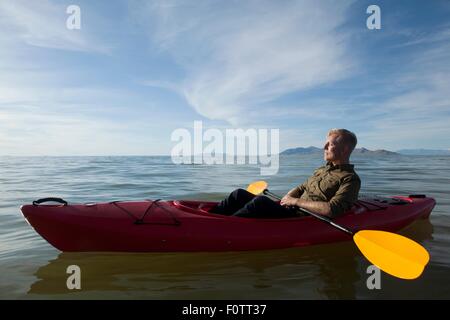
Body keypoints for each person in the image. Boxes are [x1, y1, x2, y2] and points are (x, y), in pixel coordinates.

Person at [210, 129, 361, 218]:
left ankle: (225, 226)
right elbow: (302, 187)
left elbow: (332, 209)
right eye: (326, 143)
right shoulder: (323, 169)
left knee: (260, 202)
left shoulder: (350, 179)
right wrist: (288, 197)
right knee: (239, 194)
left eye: (330, 144)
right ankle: (210, 217)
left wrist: (295, 201)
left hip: (303, 218)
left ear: (345, 149)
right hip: (290, 208)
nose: (324, 146)